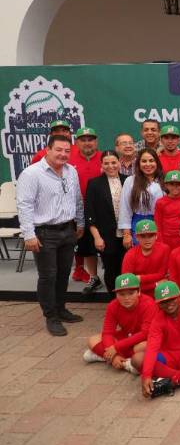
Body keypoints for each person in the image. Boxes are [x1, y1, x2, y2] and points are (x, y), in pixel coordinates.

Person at [17, 134, 85, 336]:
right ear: (47, 149)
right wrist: (28, 234)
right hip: (44, 233)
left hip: (67, 230)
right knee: (48, 276)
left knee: (63, 274)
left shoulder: (71, 171)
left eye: (67, 151)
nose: (63, 154)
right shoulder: (31, 174)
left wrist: (79, 222)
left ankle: (61, 309)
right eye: (58, 150)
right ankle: (51, 317)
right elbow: (24, 205)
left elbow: (77, 199)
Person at [83, 273, 155, 375]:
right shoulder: (113, 305)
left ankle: (103, 356)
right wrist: (114, 356)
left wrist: (116, 348)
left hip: (142, 339)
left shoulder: (148, 303)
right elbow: (108, 332)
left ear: (139, 292)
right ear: (116, 294)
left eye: (131, 293)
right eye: (121, 294)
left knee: (148, 345)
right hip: (126, 337)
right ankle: (123, 362)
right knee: (93, 339)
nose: (126, 298)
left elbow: (145, 333)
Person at [84, 150, 128, 293]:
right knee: (110, 269)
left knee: (126, 268)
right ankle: (114, 301)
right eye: (106, 163)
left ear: (119, 163)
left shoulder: (128, 180)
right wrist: (97, 237)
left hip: (127, 233)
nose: (111, 166)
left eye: (114, 162)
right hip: (105, 235)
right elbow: (89, 213)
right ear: (101, 165)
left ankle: (128, 300)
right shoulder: (94, 184)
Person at [69, 127, 103, 286]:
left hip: (103, 209)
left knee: (106, 245)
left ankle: (110, 276)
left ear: (96, 141)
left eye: (91, 139)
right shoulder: (69, 160)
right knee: (88, 246)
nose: (87, 143)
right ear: (77, 142)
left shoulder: (105, 157)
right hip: (79, 209)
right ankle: (93, 277)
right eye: (83, 140)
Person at [118, 148, 164, 247]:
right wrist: (126, 234)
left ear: (157, 162)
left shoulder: (164, 180)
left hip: (162, 225)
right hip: (138, 224)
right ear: (138, 164)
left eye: (151, 161)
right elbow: (125, 208)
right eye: (144, 161)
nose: (148, 164)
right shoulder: (130, 181)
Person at [120, 219, 171, 297]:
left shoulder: (164, 249)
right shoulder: (130, 255)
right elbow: (127, 283)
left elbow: (162, 274)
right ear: (136, 237)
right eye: (143, 236)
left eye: (150, 236)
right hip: (138, 294)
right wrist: (156, 283)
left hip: (161, 291)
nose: (147, 240)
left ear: (156, 236)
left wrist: (140, 278)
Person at [153, 170, 180, 250]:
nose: (175, 187)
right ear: (166, 185)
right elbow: (157, 224)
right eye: (171, 184)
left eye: (179, 184)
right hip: (166, 239)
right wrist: (160, 242)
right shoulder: (160, 202)